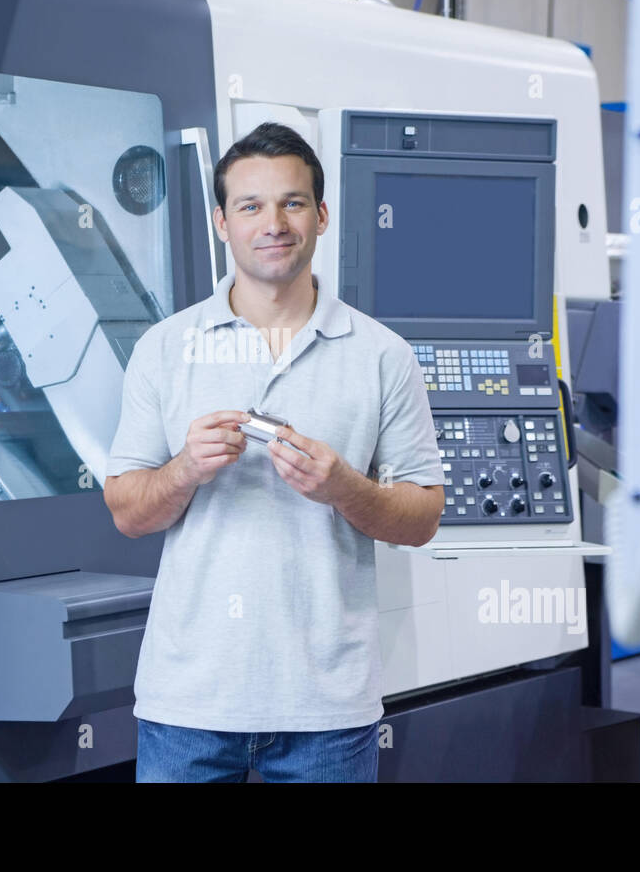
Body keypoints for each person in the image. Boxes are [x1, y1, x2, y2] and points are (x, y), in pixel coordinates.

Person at [103, 121, 445, 782]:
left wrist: (343, 486)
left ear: (320, 216)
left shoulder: (381, 356)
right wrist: (185, 470)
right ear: (221, 222)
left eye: (292, 202)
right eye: (250, 205)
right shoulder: (165, 349)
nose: (274, 222)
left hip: (326, 711)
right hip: (189, 704)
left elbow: (422, 518)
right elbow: (127, 512)